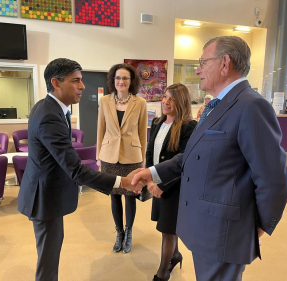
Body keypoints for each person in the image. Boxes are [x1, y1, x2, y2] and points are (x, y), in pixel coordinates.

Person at [132, 36, 287, 281]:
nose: (198, 69)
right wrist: (152, 172)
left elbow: (274, 178)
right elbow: (192, 155)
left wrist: (258, 225)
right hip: (205, 228)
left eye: (203, 62)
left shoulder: (251, 106)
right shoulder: (216, 106)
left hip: (224, 233)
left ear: (225, 63)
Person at [17, 58, 145, 281]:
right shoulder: (49, 115)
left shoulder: (52, 109)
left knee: (51, 254)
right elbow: (76, 170)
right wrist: (122, 182)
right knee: (47, 263)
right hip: (45, 199)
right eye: (76, 81)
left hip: (49, 195)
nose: (82, 86)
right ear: (56, 83)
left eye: (82, 80)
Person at [146, 84, 196, 281]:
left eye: (171, 99)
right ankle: (175, 256)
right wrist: (150, 178)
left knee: (168, 230)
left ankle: (162, 273)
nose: (166, 102)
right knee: (166, 227)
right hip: (156, 183)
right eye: (165, 97)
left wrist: (160, 184)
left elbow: (185, 162)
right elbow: (150, 153)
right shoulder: (158, 122)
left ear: (181, 102)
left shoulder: (188, 127)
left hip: (175, 187)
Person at [97, 63, 147, 254]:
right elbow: (100, 128)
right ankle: (119, 233)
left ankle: (129, 232)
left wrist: (143, 158)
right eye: (118, 78)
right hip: (109, 156)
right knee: (115, 196)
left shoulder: (140, 103)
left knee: (131, 196)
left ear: (131, 81)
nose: (121, 81)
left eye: (125, 78)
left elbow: (143, 132)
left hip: (132, 157)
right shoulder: (104, 101)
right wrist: (98, 156)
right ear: (113, 80)